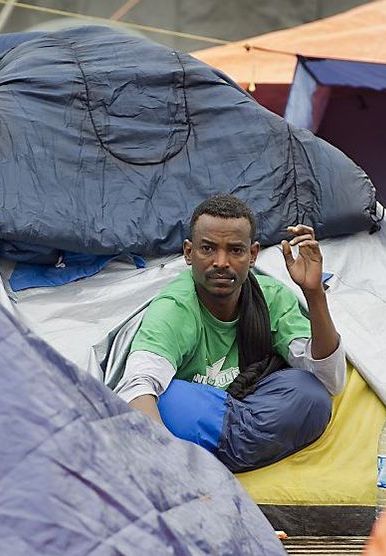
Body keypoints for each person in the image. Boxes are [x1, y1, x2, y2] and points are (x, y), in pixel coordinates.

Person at [115, 194, 345, 461]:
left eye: (235, 250)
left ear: (253, 255)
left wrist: (314, 293)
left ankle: (211, 458)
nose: (221, 262)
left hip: (242, 409)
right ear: (189, 253)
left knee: (311, 394)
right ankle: (226, 455)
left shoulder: (271, 297)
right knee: (167, 402)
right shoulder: (174, 307)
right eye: (208, 249)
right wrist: (167, 462)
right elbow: (135, 387)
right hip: (201, 417)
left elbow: (330, 381)